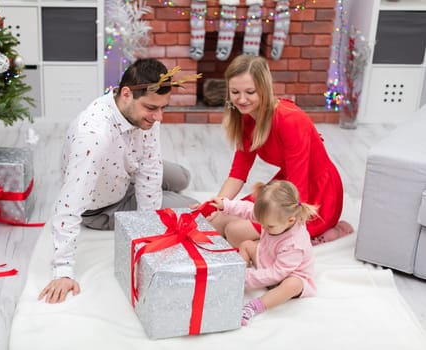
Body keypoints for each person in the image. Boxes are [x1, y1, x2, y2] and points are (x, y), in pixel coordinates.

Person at [38, 58, 200, 303]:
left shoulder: (142, 114)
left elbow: (150, 168)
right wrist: (63, 270)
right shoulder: (92, 136)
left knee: (182, 177)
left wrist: (148, 223)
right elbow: (67, 205)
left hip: (125, 174)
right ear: (126, 94)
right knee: (192, 208)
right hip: (103, 206)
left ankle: (157, 197)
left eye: (162, 108)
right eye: (151, 108)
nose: (159, 117)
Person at [206, 54, 353, 247]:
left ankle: (317, 234)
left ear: (264, 90)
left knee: (235, 232)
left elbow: (298, 186)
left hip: (314, 194)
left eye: (250, 92)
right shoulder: (245, 120)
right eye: (235, 92)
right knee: (216, 221)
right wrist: (215, 204)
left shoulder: (289, 120)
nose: (241, 100)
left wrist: (282, 218)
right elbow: (238, 174)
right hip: (284, 185)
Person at [210, 180, 318, 325]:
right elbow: (248, 209)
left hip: (286, 274)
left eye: (269, 226)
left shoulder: (294, 244)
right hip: (268, 259)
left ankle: (255, 306)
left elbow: (277, 273)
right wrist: (225, 205)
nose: (264, 228)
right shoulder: (274, 218)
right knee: (247, 244)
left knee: (293, 285)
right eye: (262, 224)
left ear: (291, 220)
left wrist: (247, 278)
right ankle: (236, 278)